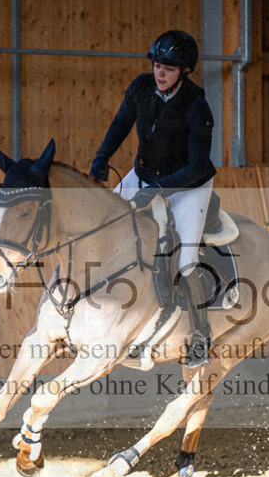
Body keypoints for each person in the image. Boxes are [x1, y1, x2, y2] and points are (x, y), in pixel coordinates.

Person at [89, 30, 216, 369]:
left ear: (185, 71)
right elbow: (121, 123)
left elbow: (197, 166)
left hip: (188, 187)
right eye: (157, 65)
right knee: (103, 227)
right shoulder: (141, 87)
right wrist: (103, 155)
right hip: (143, 176)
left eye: (168, 68)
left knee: (186, 261)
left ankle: (201, 336)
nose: (160, 73)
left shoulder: (196, 105)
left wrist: (158, 190)